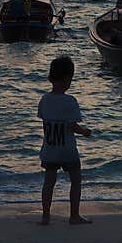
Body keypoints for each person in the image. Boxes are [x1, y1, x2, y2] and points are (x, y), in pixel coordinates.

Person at [37, 55, 92, 225]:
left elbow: (45, 121)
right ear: (67, 78)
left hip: (50, 149)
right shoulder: (70, 101)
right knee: (76, 180)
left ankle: (46, 216)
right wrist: (84, 132)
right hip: (67, 150)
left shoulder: (45, 99)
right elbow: (72, 126)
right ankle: (74, 215)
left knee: (49, 183)